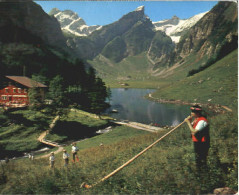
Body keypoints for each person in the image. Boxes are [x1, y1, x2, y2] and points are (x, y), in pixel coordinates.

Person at [184, 105, 210, 171]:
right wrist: (189, 122)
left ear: (197, 113)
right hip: (197, 141)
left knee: (202, 158)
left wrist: (188, 123)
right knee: (197, 158)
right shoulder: (196, 119)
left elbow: (194, 131)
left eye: (193, 112)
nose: (191, 113)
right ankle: (200, 172)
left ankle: (203, 173)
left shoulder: (202, 121)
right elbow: (192, 127)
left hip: (203, 142)